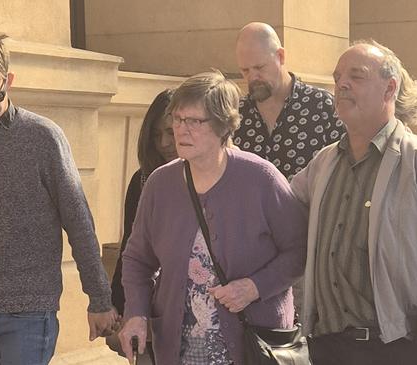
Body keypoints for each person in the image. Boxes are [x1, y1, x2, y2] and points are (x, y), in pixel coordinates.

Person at [0, 32, 117, 365]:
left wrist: (99, 300)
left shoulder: (44, 138)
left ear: (9, 80)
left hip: (30, 312)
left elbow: (79, 222)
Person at [117, 70, 307, 364]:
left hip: (251, 347)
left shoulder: (262, 179)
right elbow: (137, 259)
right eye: (178, 119)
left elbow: (300, 249)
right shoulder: (159, 183)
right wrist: (136, 314)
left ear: (223, 126)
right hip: (179, 350)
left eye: (194, 121)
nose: (181, 129)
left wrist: (255, 287)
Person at [290, 40, 417, 365]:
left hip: (393, 349)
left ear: (389, 89)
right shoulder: (324, 162)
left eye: (356, 76)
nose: (341, 84)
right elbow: (278, 211)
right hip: (325, 347)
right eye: (338, 77)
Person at [107, 89, 176, 363]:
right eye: (157, 135)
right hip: (147, 304)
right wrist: (117, 304)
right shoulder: (143, 181)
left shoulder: (212, 180)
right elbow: (130, 248)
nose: (165, 143)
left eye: (171, 132)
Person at [233, 22, 344, 181]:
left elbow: (347, 169)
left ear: (281, 56)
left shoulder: (322, 107)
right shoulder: (235, 115)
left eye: (260, 67)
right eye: (245, 70)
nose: (253, 77)